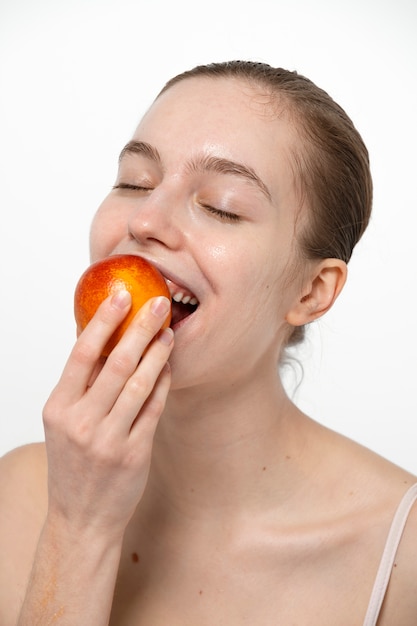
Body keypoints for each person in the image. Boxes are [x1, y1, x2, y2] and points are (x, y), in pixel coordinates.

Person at [0, 60, 416, 625]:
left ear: (312, 291)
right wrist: (78, 529)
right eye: (133, 181)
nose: (145, 218)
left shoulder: (402, 559)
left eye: (221, 205)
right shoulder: (17, 497)